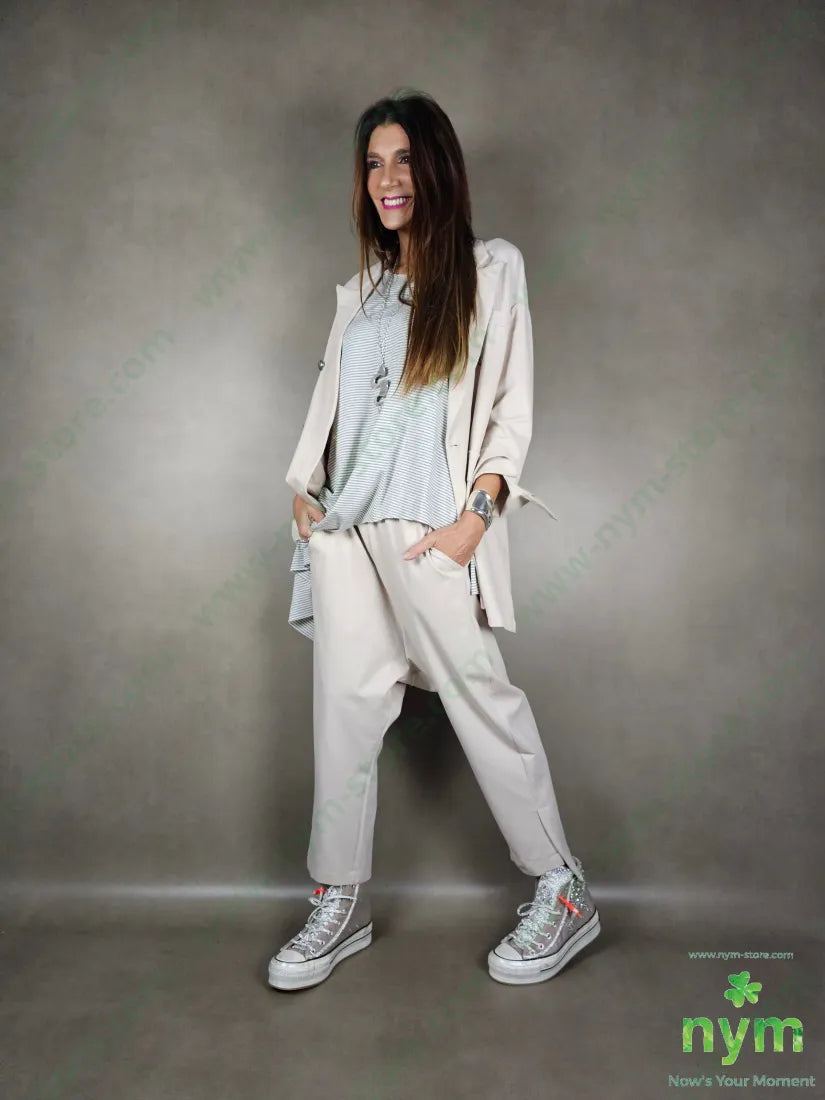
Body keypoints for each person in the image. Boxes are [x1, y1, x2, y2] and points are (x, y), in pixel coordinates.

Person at [268, 90, 601, 992]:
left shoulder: (492, 270)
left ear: (438, 167)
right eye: (373, 163)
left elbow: (510, 412)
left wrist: (473, 522)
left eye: (404, 160)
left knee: (481, 699)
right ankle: (340, 899)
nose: (387, 179)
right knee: (344, 716)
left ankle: (563, 890)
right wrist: (306, 490)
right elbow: (341, 411)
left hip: (430, 533)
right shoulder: (363, 292)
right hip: (346, 533)